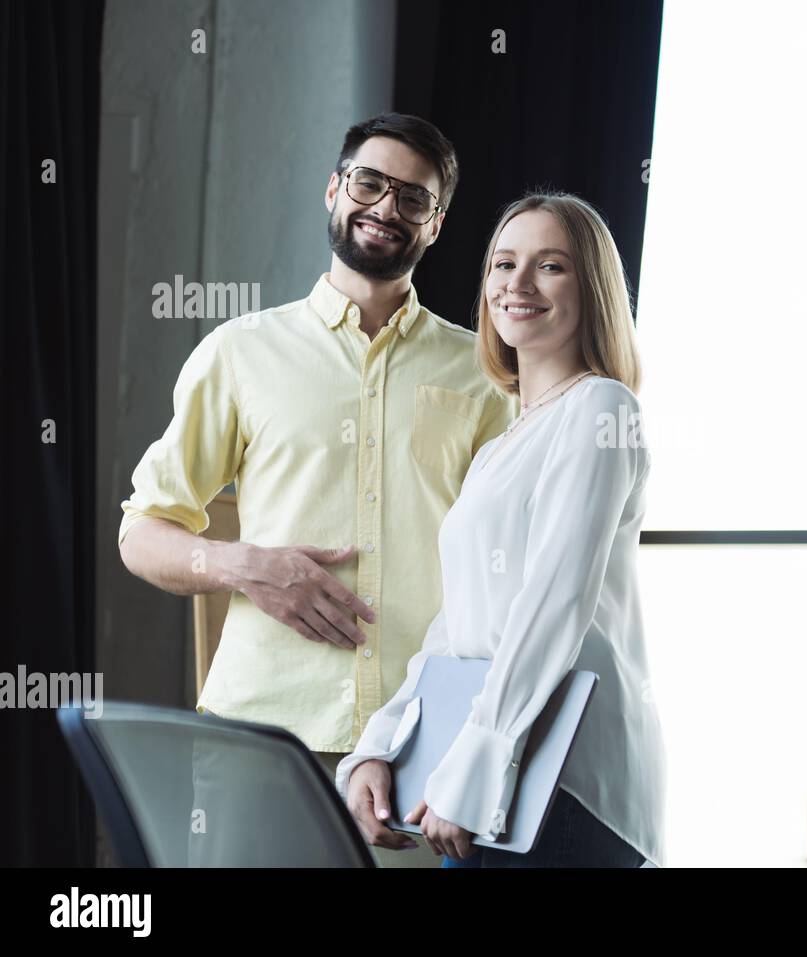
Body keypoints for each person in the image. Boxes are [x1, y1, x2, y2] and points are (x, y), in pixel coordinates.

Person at [118, 113, 516, 867]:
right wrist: (242, 565)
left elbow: (506, 570)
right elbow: (141, 531)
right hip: (259, 737)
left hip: (418, 745)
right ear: (334, 189)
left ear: (435, 224)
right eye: (369, 183)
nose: (386, 207)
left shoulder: (485, 377)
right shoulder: (239, 353)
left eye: (413, 197)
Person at [336, 192, 667, 868]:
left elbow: (554, 603)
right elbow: (457, 627)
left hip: (564, 784)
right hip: (492, 778)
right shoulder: (500, 447)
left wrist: (482, 761)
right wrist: (382, 744)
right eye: (503, 264)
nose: (518, 284)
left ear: (593, 289)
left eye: (551, 266)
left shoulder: (602, 408)